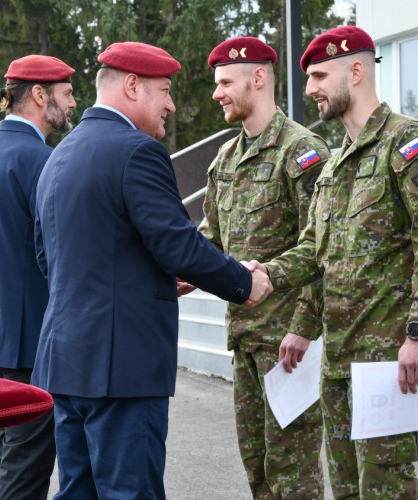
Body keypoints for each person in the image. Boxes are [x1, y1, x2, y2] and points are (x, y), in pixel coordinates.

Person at [32, 41, 273, 499]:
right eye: (164, 90)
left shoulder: (59, 156)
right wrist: (245, 282)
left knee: (77, 492)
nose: (171, 104)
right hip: (121, 368)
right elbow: (177, 244)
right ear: (132, 86)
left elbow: (54, 258)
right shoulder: (136, 151)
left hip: (66, 363)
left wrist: (148, 276)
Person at [248, 26, 418, 498]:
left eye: (320, 75)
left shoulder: (409, 143)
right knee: (346, 489)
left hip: (389, 357)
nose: (309, 89)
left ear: (356, 70)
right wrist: (266, 277)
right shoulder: (336, 164)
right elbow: (316, 251)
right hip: (339, 359)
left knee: (387, 487)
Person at [199, 36, 328, 499]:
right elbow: (210, 239)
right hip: (246, 339)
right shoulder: (226, 160)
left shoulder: (302, 152)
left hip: (288, 344)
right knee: (258, 471)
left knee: (293, 476)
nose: (217, 93)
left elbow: (323, 246)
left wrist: (305, 326)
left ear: (258, 78)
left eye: (225, 82)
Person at [0, 54, 75, 500]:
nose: (73, 104)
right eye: (66, 93)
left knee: (7, 445)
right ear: (39, 95)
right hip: (32, 333)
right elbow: (55, 252)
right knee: (29, 453)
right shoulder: (41, 158)